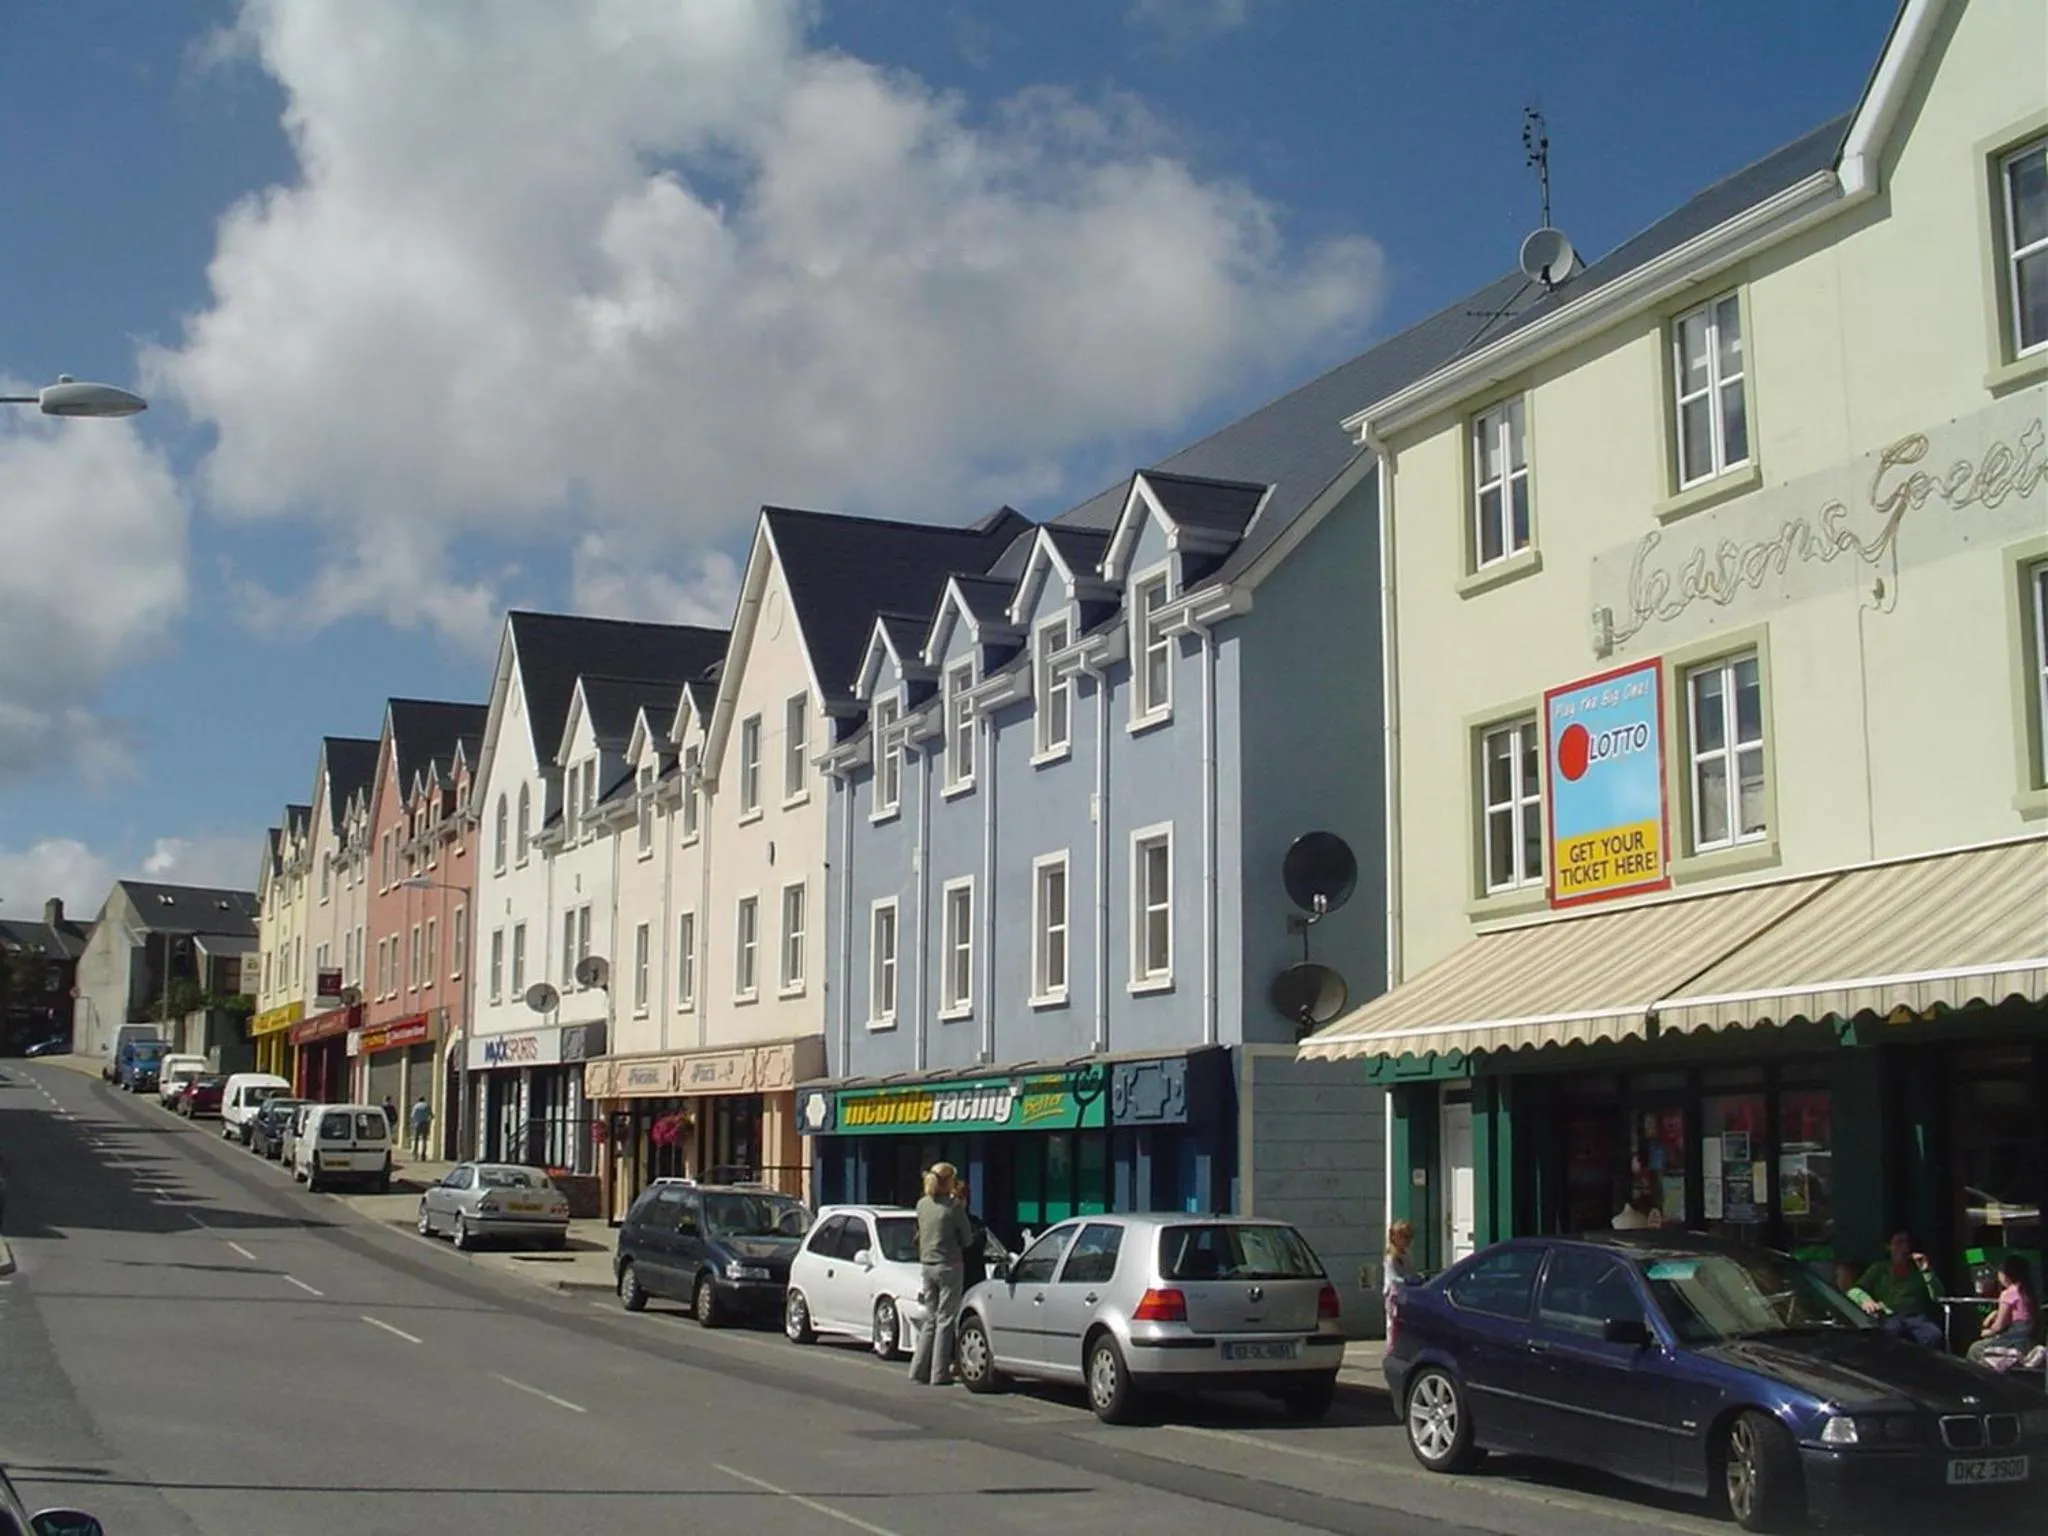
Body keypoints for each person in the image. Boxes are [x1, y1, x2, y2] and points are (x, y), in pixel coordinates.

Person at [907, 1162, 973, 1387]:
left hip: (927, 1264)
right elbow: (967, 1239)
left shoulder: (922, 1205)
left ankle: (918, 1369)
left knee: (931, 1318)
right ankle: (939, 1372)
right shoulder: (953, 1207)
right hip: (949, 1265)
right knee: (946, 1320)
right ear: (949, 1182)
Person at [1854, 1231, 1945, 1348]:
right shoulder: (1879, 1269)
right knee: (1887, 1335)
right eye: (1899, 1243)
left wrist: (1926, 1272)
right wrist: (1865, 1300)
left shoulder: (1918, 1270)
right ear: (1889, 1247)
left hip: (1915, 1318)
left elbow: (1938, 1297)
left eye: (1907, 1243)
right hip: (1889, 1316)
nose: (1904, 1247)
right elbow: (1855, 1290)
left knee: (1933, 1335)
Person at [1966, 1255, 2038, 1365]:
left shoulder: (2008, 1293)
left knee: (1975, 1348)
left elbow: (1999, 1326)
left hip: (2014, 1341)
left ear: (2005, 1275)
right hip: (2029, 1340)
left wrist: (1986, 1332)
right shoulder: (2028, 1292)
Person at [956, 1178, 991, 1290]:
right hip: (952, 1279)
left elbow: (979, 1243)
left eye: (961, 1198)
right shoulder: (944, 1223)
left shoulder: (976, 1223)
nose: (958, 1202)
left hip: (973, 1279)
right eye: (955, 1199)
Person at [1383, 1219, 1416, 1330]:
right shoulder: (1391, 1257)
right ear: (1395, 1237)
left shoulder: (1408, 1254)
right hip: (1394, 1295)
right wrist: (1405, 1280)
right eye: (1405, 1237)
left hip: (1407, 1294)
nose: (1408, 1240)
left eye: (1410, 1237)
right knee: (1395, 1327)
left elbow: (1411, 1271)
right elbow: (1392, 1278)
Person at [408, 1095, 433, 1160]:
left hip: (417, 1124)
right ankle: (423, 1155)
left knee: (416, 1139)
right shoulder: (427, 1106)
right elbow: (431, 1115)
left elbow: (412, 1116)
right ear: (424, 1100)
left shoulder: (415, 1106)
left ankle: (415, 1155)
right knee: (424, 1139)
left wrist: (416, 1120)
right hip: (425, 1123)